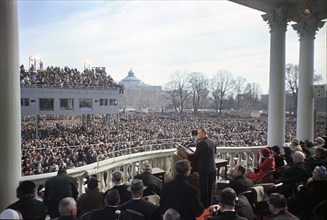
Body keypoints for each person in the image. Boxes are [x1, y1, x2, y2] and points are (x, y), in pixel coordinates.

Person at [193, 128, 216, 207]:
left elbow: (195, 155)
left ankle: (204, 204)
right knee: (210, 187)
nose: (198, 135)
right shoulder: (213, 141)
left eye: (199, 133)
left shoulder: (201, 143)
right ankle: (210, 202)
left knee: (204, 187)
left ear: (203, 133)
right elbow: (215, 152)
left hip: (204, 168)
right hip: (212, 167)